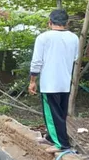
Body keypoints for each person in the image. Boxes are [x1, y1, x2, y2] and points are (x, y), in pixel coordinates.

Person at [28, 9, 79, 152]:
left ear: (49, 22)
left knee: (52, 114)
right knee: (60, 113)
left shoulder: (43, 38)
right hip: (65, 82)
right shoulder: (74, 38)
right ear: (67, 23)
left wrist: (33, 81)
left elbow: (36, 62)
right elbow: (75, 57)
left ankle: (62, 145)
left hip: (49, 84)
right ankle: (51, 137)